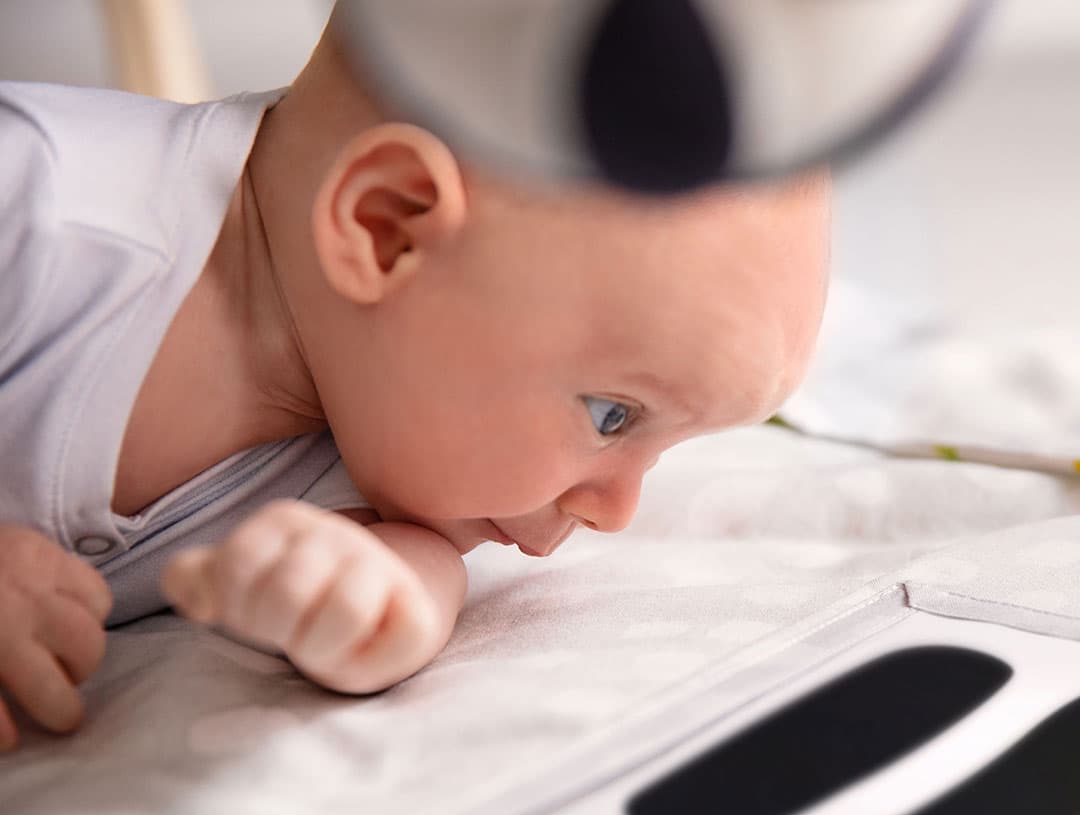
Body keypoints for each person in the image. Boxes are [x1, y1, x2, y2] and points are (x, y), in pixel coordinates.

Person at [0, 9, 831, 753]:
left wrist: (367, 609)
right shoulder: (39, 205)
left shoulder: (386, 430)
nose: (617, 513)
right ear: (386, 228)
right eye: (614, 415)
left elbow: (412, 577)